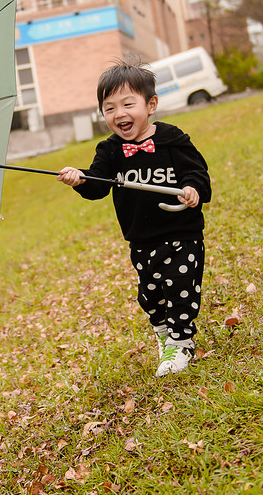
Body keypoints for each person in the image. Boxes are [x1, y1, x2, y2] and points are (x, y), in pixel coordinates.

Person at [57, 60, 211, 377]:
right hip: (142, 240)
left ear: (150, 105)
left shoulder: (171, 138)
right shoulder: (110, 150)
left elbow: (197, 172)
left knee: (180, 290)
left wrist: (192, 188)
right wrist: (81, 179)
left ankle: (182, 345)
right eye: (109, 108)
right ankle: (165, 336)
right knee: (151, 297)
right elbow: (98, 183)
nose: (119, 114)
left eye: (128, 104)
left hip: (182, 234)